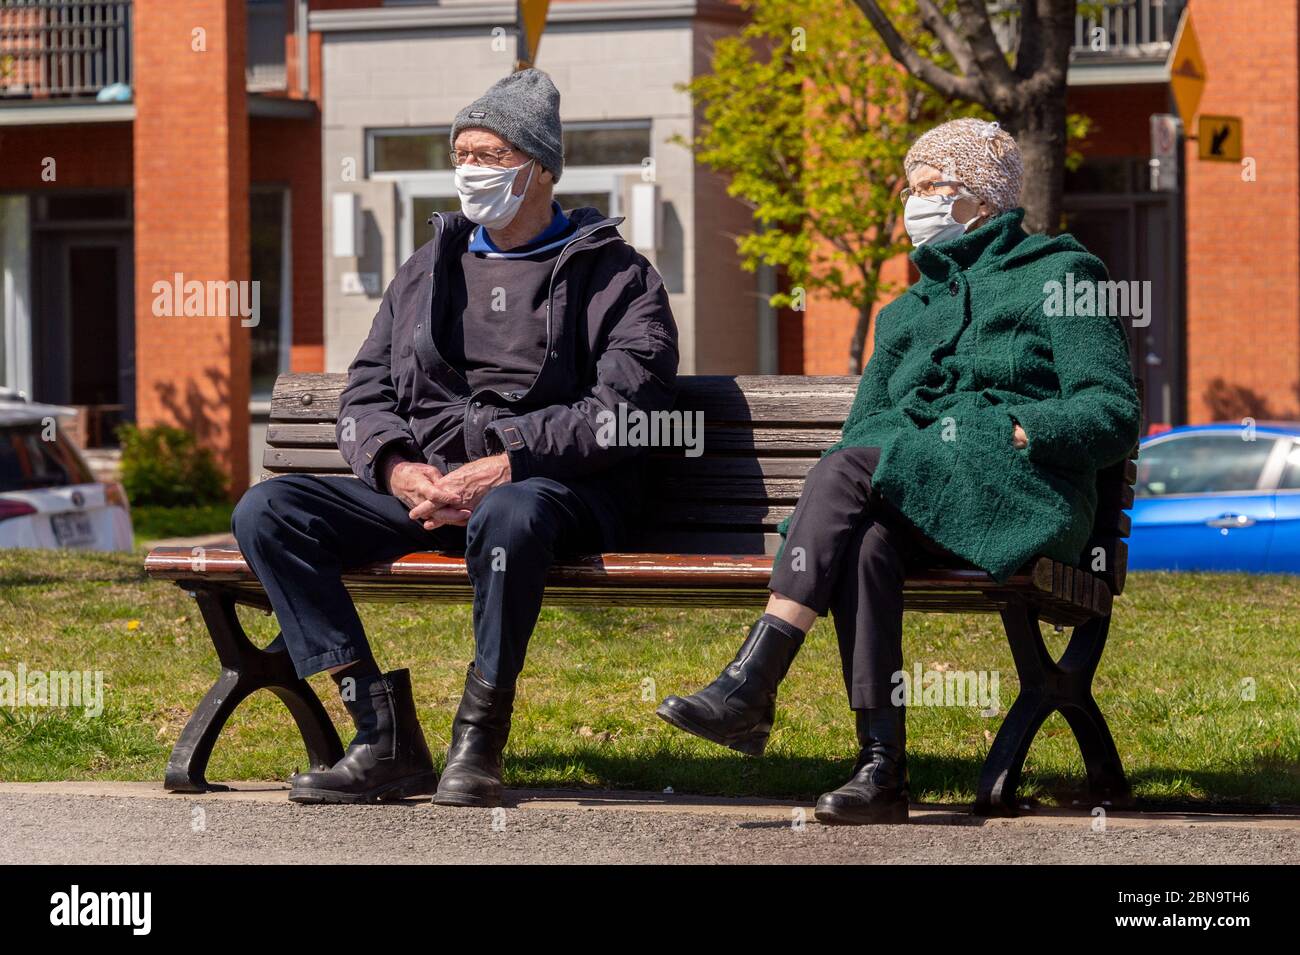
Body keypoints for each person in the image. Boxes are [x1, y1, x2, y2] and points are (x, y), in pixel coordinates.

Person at [657, 118, 1140, 825]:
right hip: (918, 493)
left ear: (980, 197)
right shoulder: (903, 311)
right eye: (910, 189)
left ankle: (754, 681)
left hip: (1020, 493)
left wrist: (1019, 426)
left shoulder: (1063, 275)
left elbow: (1114, 411)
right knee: (864, 539)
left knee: (856, 473)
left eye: (931, 186)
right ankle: (880, 768)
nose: (915, 203)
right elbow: (861, 437)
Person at [232, 68, 679, 807]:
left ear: (538, 169)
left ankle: (479, 739)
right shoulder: (426, 268)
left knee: (511, 511)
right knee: (268, 510)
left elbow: (629, 403)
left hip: (552, 496)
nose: (469, 171)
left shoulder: (617, 276)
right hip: (433, 492)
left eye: (489, 155)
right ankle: (379, 733)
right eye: (461, 154)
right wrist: (396, 465)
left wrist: (508, 464)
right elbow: (368, 387)